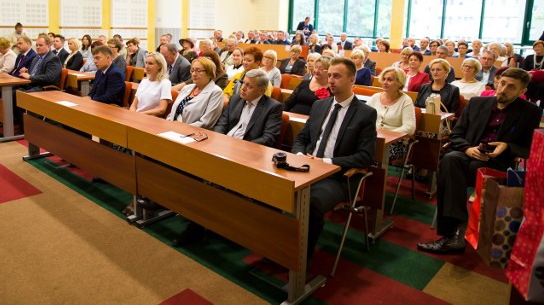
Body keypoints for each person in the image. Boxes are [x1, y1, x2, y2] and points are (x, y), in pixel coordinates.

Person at [418, 68, 541, 254]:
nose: (503, 89)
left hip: (497, 163)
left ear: (522, 92)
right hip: (468, 154)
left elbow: (529, 147)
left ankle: (454, 233)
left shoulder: (530, 112)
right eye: (502, 83)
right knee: (450, 160)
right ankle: (458, 231)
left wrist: (507, 146)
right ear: (497, 82)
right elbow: (456, 134)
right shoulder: (477, 103)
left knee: (451, 167)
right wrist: (468, 148)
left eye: (511, 87)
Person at [173, 69, 282, 247]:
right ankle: (191, 212)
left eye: (249, 85)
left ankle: (197, 228)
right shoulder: (236, 100)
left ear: (261, 91)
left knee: (210, 182)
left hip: (247, 157)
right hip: (222, 149)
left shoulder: (272, 107)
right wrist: (220, 142)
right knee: (189, 167)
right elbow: (221, 124)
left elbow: (268, 138)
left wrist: (237, 148)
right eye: (243, 83)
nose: (243, 88)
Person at [291, 57, 377, 263]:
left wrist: (326, 162)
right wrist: (301, 156)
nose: (330, 80)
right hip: (307, 168)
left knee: (309, 204)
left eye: (337, 76)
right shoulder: (320, 105)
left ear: (352, 80)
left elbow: (365, 157)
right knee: (273, 188)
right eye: (329, 75)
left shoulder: (365, 113)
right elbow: (302, 138)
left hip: (338, 177)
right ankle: (277, 248)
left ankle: (300, 263)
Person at [367, 67, 416, 159]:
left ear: (399, 83)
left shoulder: (406, 100)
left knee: (367, 151)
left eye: (389, 80)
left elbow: (409, 128)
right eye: (384, 79)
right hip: (373, 138)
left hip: (395, 143)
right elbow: (363, 118)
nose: (385, 82)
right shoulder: (375, 97)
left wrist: (387, 135)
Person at [166, 57, 224, 128]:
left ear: (210, 73)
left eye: (198, 71)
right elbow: (173, 112)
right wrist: (168, 124)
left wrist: (181, 128)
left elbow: (206, 122)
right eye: (192, 70)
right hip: (173, 128)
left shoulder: (215, 92)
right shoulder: (187, 88)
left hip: (192, 133)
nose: (194, 74)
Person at [129, 52, 172, 117]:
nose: (146, 66)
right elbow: (133, 105)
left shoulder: (165, 83)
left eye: (150, 64)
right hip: (137, 116)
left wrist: (140, 115)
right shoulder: (144, 81)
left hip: (150, 118)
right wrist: (132, 115)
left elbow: (161, 110)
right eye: (146, 63)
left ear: (159, 66)